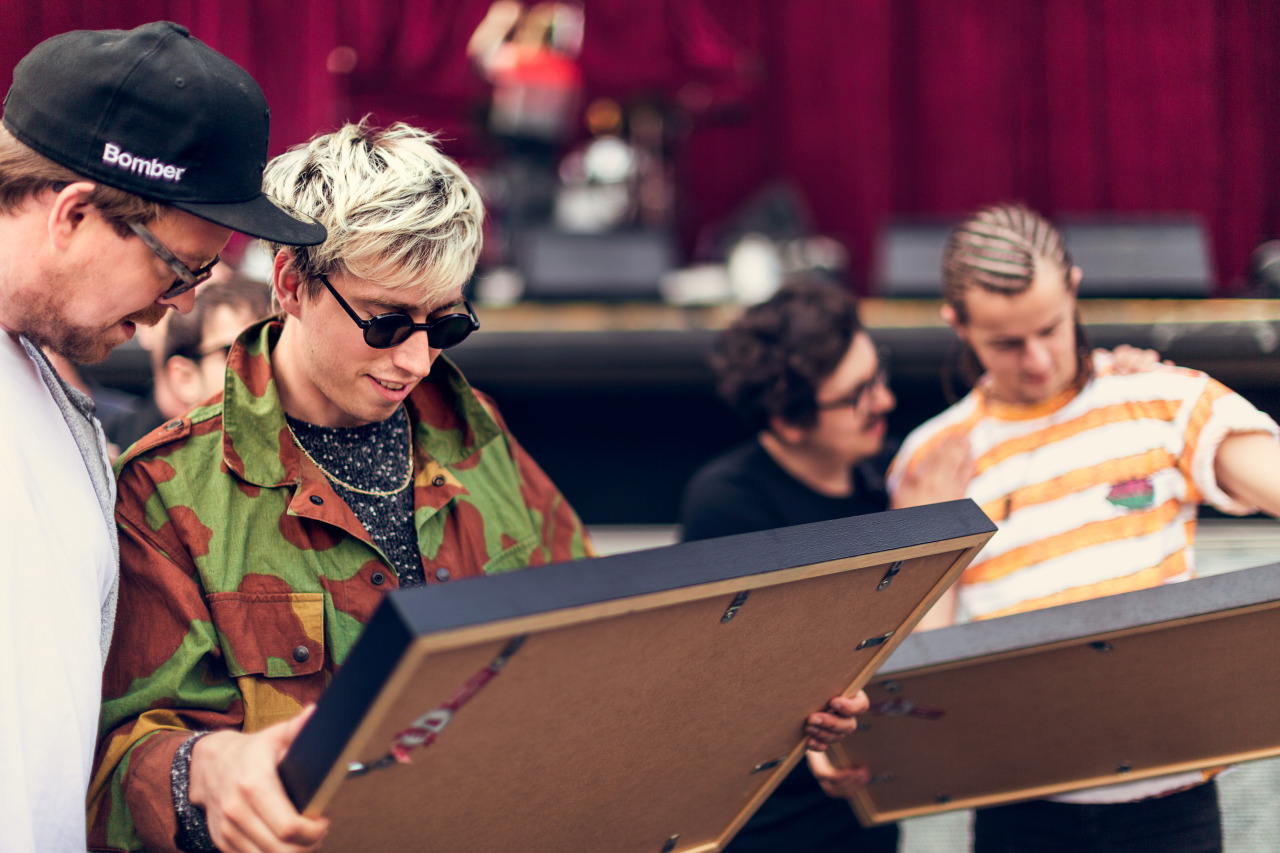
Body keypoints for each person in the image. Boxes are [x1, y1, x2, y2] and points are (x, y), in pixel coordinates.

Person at [90, 121, 865, 853]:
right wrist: (205, 771)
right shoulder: (169, 485)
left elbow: (603, 638)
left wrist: (768, 693)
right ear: (292, 283)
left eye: (445, 324)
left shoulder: (469, 428)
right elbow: (113, 771)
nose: (416, 360)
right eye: (386, 323)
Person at [0, 22, 325, 853]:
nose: (181, 304)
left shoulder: (42, 375)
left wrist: (205, 766)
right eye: (179, 269)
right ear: (74, 213)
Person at [889, 202, 1280, 853]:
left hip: (1169, 801)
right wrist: (925, 536)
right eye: (1007, 343)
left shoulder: (1163, 396)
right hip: (1020, 804)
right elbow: (928, 668)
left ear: (1073, 289)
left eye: (1050, 327)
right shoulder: (931, 458)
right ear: (957, 324)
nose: (1038, 359)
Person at [681, 278, 944, 853]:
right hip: (770, 828)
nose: (885, 402)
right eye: (857, 396)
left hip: (866, 820)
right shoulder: (729, 506)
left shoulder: (885, 478)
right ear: (788, 421)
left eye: (879, 374)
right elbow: (738, 691)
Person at [104, 270, 271, 451]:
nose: (266, 364)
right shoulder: (120, 452)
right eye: (240, 350)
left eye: (276, 346)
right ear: (185, 377)